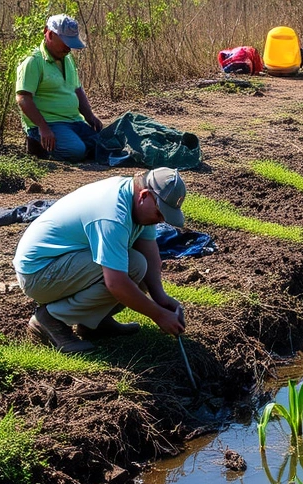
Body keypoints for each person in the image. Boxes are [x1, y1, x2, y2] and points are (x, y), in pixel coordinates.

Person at [13, 168, 188, 353]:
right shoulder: (113, 214)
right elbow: (116, 284)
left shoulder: (136, 201)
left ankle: (95, 323)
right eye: (160, 214)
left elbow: (150, 254)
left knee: (140, 263)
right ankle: (50, 319)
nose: (160, 221)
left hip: (65, 261)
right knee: (133, 266)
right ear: (144, 195)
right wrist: (158, 315)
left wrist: (160, 296)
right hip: (40, 273)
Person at [15, 14, 103, 162]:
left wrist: (90, 116)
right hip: (49, 124)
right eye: (65, 42)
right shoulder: (33, 61)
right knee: (76, 151)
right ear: (49, 34)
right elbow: (23, 98)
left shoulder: (67, 59)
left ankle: (79, 145)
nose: (68, 48)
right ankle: (38, 146)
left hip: (74, 121)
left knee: (103, 145)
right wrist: (43, 128)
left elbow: (77, 90)